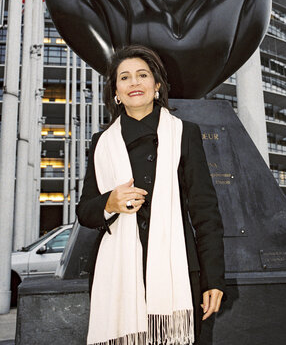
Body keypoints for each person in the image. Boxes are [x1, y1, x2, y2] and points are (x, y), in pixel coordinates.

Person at [77, 45, 226, 345]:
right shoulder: (101, 143)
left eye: (142, 75)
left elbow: (205, 210)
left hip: (179, 269)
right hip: (118, 275)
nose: (134, 83)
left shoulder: (184, 133)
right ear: (116, 91)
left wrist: (214, 279)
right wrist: (109, 202)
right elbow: (85, 212)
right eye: (125, 77)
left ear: (156, 85)